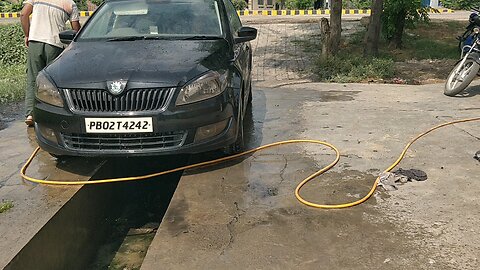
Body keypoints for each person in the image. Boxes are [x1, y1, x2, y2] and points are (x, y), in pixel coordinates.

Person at [20, 0, 81, 126]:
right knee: (52, 82)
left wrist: (27, 34)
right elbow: (76, 29)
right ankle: (50, 116)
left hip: (35, 41)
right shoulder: (70, 3)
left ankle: (31, 114)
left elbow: (23, 14)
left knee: (33, 78)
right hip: (55, 44)